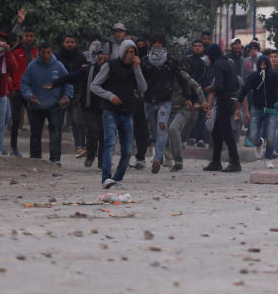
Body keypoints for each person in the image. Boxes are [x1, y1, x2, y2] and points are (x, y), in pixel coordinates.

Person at [91, 39, 147, 188]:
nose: (131, 55)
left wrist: (137, 68)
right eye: (129, 51)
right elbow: (94, 86)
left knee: (128, 150)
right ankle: (106, 178)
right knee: (109, 144)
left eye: (133, 52)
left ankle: (117, 178)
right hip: (110, 111)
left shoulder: (134, 69)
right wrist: (110, 96)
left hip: (127, 112)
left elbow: (143, 87)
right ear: (123, 51)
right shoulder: (111, 65)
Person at [140, 33, 187, 173]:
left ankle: (157, 158)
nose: (158, 45)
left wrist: (188, 96)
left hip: (165, 101)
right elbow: (138, 78)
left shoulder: (171, 60)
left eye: (160, 43)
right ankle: (155, 153)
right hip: (148, 101)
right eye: (155, 42)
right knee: (153, 131)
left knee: (162, 128)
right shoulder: (145, 61)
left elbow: (181, 78)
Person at [19, 43, 72, 165]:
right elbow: (24, 83)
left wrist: (66, 96)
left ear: (52, 52)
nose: (46, 55)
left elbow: (68, 82)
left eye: (49, 52)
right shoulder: (32, 66)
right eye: (44, 52)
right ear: (39, 52)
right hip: (36, 104)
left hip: (54, 104)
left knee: (55, 131)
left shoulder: (58, 66)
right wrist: (29, 95)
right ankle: (35, 157)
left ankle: (55, 159)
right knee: (35, 132)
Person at [238, 53, 278, 168]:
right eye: (261, 64)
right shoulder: (253, 76)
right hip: (256, 109)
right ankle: (258, 143)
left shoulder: (275, 76)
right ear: (258, 65)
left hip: (272, 109)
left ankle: (269, 157)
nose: (263, 66)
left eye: (265, 64)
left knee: (271, 137)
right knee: (252, 136)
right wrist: (238, 107)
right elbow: (244, 90)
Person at [203, 43, 242, 172]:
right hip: (231, 99)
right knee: (217, 133)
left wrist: (210, 88)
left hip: (224, 101)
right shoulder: (230, 62)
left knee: (226, 132)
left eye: (208, 56)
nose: (208, 59)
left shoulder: (218, 64)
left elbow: (218, 86)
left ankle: (235, 162)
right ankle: (216, 162)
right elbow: (236, 83)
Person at [168, 57, 206, 171]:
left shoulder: (182, 75)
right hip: (167, 109)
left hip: (183, 109)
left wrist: (203, 102)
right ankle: (174, 159)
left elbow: (197, 87)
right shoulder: (162, 76)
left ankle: (178, 160)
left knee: (173, 129)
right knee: (171, 136)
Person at [7, 26, 38, 157]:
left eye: (31, 36)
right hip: (17, 90)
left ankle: (34, 151)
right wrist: (11, 88)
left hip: (32, 92)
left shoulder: (38, 51)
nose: (29, 38)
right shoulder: (16, 50)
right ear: (22, 37)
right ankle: (13, 148)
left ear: (34, 37)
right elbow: (9, 70)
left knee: (34, 121)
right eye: (27, 36)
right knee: (16, 120)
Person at [57, 34, 87, 159]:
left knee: (77, 121)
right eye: (67, 42)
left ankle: (79, 147)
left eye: (72, 42)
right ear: (64, 43)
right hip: (60, 93)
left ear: (75, 43)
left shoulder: (80, 57)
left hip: (75, 92)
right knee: (57, 122)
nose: (70, 44)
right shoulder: (57, 56)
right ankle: (55, 150)